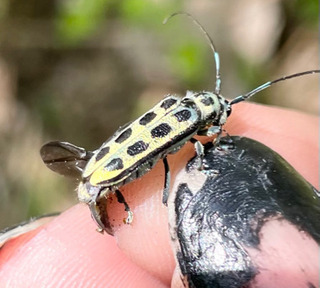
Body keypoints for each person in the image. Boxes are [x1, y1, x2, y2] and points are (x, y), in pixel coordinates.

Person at [0, 102, 318, 287]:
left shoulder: (176, 107)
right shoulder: (191, 123)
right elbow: (178, 151)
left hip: (103, 169)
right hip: (110, 173)